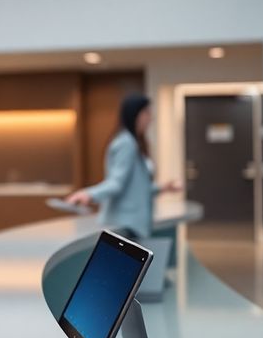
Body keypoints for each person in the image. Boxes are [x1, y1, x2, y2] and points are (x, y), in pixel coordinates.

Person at [65, 94, 180, 239]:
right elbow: (116, 183)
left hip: (135, 224)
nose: (151, 118)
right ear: (135, 114)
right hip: (125, 224)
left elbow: (138, 188)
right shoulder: (126, 143)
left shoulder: (136, 143)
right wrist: (89, 194)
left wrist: (163, 188)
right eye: (147, 113)